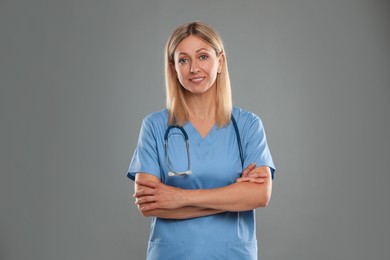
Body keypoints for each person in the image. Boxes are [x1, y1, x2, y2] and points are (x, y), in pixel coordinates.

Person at [127, 21, 275, 260]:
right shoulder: (154, 126)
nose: (194, 68)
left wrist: (179, 197)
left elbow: (259, 195)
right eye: (183, 60)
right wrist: (234, 195)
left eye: (203, 56)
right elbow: (150, 204)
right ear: (173, 67)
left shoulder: (247, 125)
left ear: (220, 62)